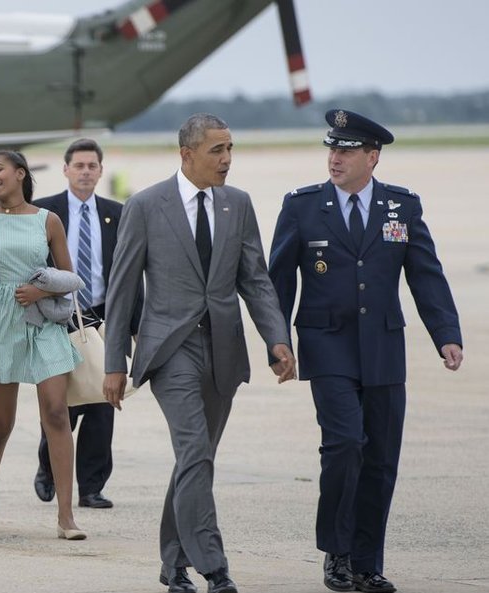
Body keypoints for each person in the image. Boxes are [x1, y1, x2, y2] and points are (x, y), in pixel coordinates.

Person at [268, 109, 463, 593]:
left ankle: (366, 563)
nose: (335, 158)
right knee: (345, 446)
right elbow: (277, 280)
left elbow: (426, 274)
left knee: (379, 457)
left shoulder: (402, 207)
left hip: (383, 347)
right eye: (332, 149)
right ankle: (337, 553)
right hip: (326, 344)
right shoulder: (302, 206)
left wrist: (446, 333)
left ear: (372, 158)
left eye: (346, 150)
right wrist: (278, 341)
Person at [102, 113, 296, 593]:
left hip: (224, 350)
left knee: (197, 458)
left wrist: (277, 338)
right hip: (170, 350)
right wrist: (113, 364)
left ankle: (172, 565)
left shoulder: (238, 204)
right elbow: (122, 289)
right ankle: (214, 565)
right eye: (217, 150)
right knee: (194, 451)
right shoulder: (147, 205)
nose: (227, 159)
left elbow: (255, 279)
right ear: (187, 154)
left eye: (230, 149)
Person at [0, 149, 86, 540]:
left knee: (57, 413)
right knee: (1, 423)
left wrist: (40, 291)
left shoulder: (49, 220)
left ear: (20, 173)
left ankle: (66, 516)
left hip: (43, 319)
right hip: (0, 320)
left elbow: (70, 278)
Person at [33, 138, 142, 509]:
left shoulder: (118, 212)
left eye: (91, 166)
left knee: (102, 401)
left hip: (104, 317)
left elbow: (131, 274)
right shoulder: (45, 212)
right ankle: (48, 466)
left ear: (100, 170)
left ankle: (91, 487)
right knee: (63, 402)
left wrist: (136, 326)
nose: (85, 172)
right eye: (78, 165)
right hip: (58, 315)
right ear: (65, 170)